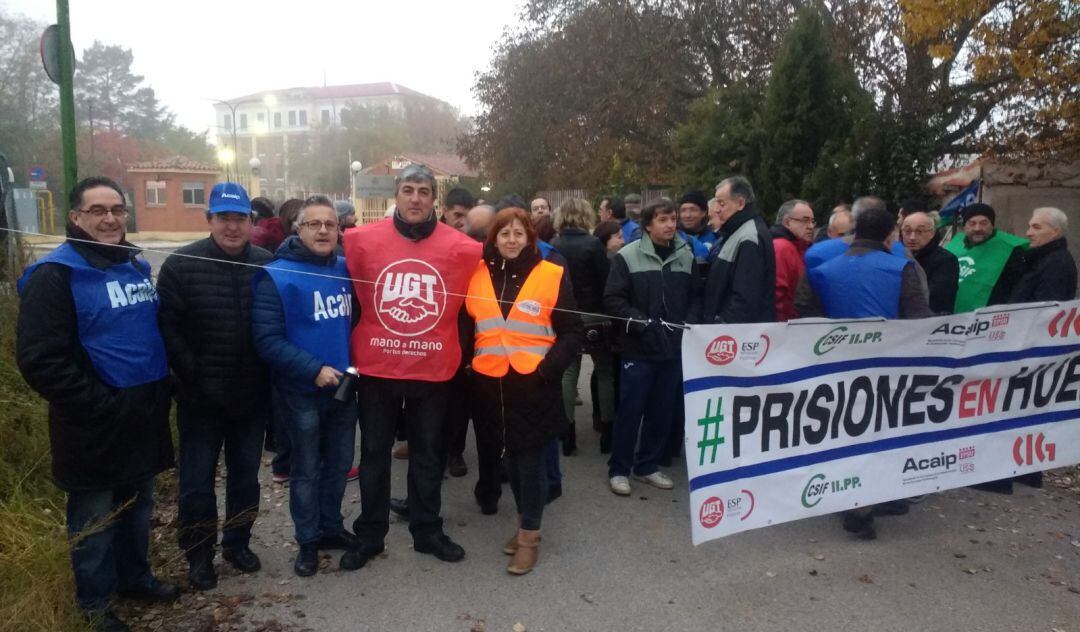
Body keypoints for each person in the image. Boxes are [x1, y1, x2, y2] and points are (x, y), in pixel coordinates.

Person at [16, 176, 178, 631]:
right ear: (75, 217)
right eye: (97, 211)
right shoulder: (55, 275)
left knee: (138, 507)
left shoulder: (132, 266)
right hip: (92, 423)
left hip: (143, 414)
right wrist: (99, 404)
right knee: (94, 520)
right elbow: (40, 360)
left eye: (117, 210)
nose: (110, 219)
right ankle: (95, 604)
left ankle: (135, 578)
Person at [339, 165, 482, 570]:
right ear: (396, 196)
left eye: (423, 191)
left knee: (428, 455)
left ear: (434, 197)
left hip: (433, 370)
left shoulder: (462, 247)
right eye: (408, 190)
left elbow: (475, 308)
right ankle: (370, 535)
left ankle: (427, 530)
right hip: (377, 368)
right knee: (373, 455)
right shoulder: (360, 241)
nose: (416, 198)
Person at [157, 182, 273, 591]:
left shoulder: (266, 263)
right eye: (223, 218)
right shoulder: (181, 264)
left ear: (250, 222)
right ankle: (199, 555)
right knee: (196, 483)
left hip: (250, 396)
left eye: (239, 218)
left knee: (245, 478)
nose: (232, 226)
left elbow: (276, 325)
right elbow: (167, 327)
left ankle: (237, 544)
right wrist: (193, 374)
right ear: (209, 220)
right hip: (199, 397)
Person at [465, 207, 582, 574]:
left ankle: (529, 537)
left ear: (530, 237)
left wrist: (548, 370)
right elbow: (470, 325)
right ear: (494, 239)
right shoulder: (478, 273)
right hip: (491, 384)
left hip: (534, 383)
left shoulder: (551, 274)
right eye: (504, 234)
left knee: (529, 465)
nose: (512, 240)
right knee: (509, 463)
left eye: (519, 233)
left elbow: (572, 332)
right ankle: (524, 525)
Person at [804, 206, 932, 539]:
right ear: (891, 234)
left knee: (843, 431)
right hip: (887, 367)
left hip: (834, 365)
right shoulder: (901, 267)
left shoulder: (822, 269)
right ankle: (863, 506)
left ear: (855, 232)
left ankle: (845, 495)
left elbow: (804, 313)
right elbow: (920, 319)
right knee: (879, 433)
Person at [252, 195, 358, 577]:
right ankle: (308, 540)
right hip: (301, 392)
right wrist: (313, 369)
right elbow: (267, 339)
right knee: (307, 469)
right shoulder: (275, 275)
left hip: (345, 390)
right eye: (314, 224)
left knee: (339, 465)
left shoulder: (347, 270)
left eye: (330, 224)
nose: (324, 230)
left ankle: (331, 527)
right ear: (298, 229)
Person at [604, 198, 699, 496]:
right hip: (638, 348)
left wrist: (688, 322)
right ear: (647, 225)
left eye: (673, 219)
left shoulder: (686, 255)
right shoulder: (628, 256)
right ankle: (619, 469)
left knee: (662, 410)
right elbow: (613, 300)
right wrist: (641, 324)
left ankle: (647, 465)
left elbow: (696, 296)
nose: (671, 224)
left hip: (672, 348)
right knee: (631, 410)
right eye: (663, 219)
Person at [551, 199, 614, 458]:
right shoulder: (593, 245)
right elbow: (606, 281)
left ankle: (568, 436)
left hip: (566, 315)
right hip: (594, 315)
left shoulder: (554, 245)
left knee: (568, 374)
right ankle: (607, 434)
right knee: (605, 372)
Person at [702, 176, 776, 324]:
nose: (716, 210)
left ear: (741, 203)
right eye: (716, 203)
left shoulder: (749, 237)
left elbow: (745, 297)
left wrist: (721, 325)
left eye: (721, 204)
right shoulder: (734, 232)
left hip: (738, 335)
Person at [944, 203, 1028, 313]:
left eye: (984, 223)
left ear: (992, 225)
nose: (977, 228)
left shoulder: (1011, 249)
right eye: (972, 223)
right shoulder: (955, 244)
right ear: (964, 226)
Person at [902, 211, 959, 314]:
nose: (912, 237)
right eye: (907, 231)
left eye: (919, 232)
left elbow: (938, 298)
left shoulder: (946, 260)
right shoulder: (897, 256)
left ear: (932, 233)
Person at [771, 199, 815, 321]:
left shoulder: (803, 248)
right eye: (805, 221)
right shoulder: (781, 248)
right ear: (787, 222)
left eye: (812, 221)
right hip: (787, 328)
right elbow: (778, 296)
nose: (811, 226)